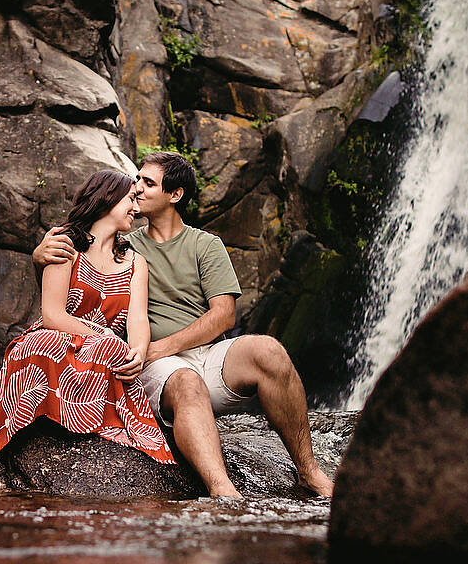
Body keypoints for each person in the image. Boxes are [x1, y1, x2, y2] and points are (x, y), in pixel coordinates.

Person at [32, 152, 334, 498]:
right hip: (155, 366)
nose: (137, 189)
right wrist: (39, 255)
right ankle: (223, 492)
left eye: (148, 182)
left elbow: (224, 315)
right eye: (136, 180)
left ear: (175, 195)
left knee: (270, 350)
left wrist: (164, 346)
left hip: (204, 356)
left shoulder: (205, 244)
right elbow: (75, 270)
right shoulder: (123, 242)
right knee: (186, 382)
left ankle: (310, 472)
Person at [0, 170, 173, 465]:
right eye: (130, 200)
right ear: (106, 200)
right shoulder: (65, 244)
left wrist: (137, 352)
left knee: (115, 351)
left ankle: (84, 419)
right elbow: (52, 315)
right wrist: (101, 336)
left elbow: (138, 319)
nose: (136, 210)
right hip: (58, 339)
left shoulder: (136, 262)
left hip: (104, 351)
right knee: (42, 345)